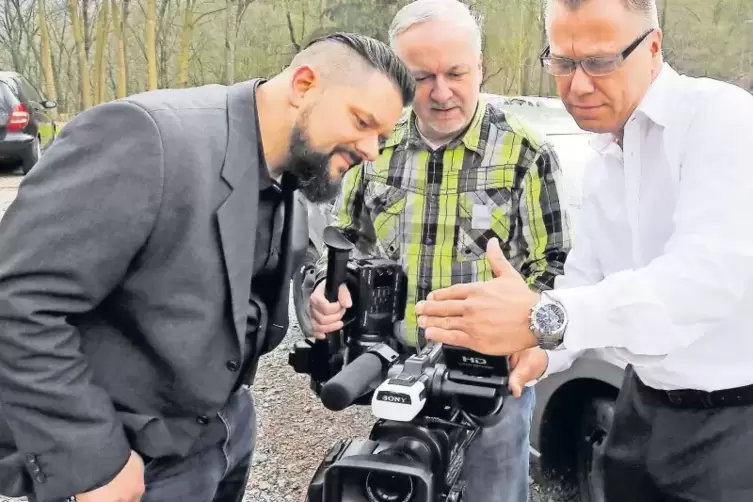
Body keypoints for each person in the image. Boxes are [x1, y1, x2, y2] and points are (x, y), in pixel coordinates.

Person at [0, 33, 414, 502]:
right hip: (131, 463)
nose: (372, 150)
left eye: (382, 135)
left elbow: (275, 260)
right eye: (362, 122)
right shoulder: (146, 138)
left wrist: (318, 288)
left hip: (227, 431)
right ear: (303, 85)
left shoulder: (299, 168)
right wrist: (92, 459)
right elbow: (16, 302)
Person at [414, 0, 753, 500]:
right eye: (563, 63)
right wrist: (538, 354)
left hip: (733, 424)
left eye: (598, 62)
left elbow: (704, 281)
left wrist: (545, 316)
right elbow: (586, 279)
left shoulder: (721, 119)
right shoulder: (604, 159)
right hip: (639, 406)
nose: (577, 85)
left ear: (653, 48)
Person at [306, 2, 571, 501]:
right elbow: (342, 243)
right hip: (394, 378)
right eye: (422, 76)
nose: (441, 91)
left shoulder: (526, 154)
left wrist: (534, 337)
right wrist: (325, 290)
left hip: (487, 386)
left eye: (456, 72)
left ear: (480, 64)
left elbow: (555, 270)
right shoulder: (373, 148)